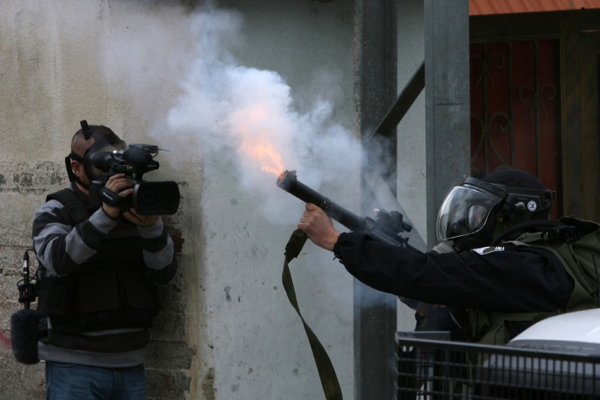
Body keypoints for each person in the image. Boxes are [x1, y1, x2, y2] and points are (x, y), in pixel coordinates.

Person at [298, 168, 600, 345]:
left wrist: (334, 239)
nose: (471, 219)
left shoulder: (524, 264)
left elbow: (426, 273)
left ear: (512, 216)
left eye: (480, 212)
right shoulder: (522, 262)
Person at [32, 121, 178, 399]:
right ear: (77, 168)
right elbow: (57, 260)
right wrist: (105, 216)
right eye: (104, 163)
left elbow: (164, 274)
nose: (114, 172)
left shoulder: (137, 206)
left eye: (119, 160)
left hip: (131, 363)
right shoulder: (55, 210)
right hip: (74, 365)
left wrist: (151, 227)